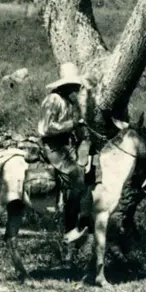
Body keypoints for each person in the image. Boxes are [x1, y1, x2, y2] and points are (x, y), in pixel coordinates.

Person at [37, 62, 95, 244]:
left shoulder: (69, 102)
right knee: (76, 175)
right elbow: (45, 128)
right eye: (73, 85)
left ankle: (84, 220)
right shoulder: (53, 100)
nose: (76, 89)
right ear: (65, 85)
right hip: (53, 146)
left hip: (65, 145)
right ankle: (69, 228)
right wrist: (72, 125)